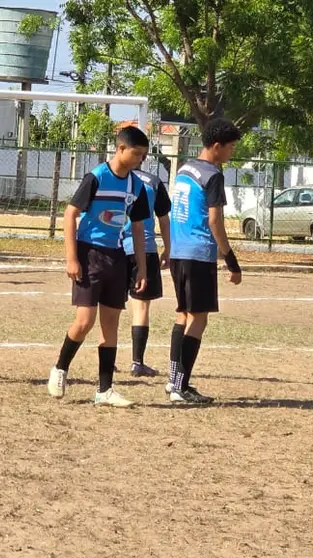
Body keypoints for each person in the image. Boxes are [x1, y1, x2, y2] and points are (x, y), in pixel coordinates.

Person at [47, 126, 151, 408]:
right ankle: (60, 368)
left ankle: (104, 390)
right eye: (137, 153)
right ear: (120, 149)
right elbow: (70, 215)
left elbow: (138, 228)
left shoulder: (136, 186)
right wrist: (71, 257)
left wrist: (141, 267)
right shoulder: (97, 177)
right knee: (84, 321)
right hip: (88, 253)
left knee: (111, 325)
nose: (141, 159)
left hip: (117, 257)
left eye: (143, 155)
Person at [165, 118, 242, 404]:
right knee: (198, 319)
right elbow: (214, 220)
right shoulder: (213, 175)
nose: (232, 152)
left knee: (182, 314)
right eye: (231, 147)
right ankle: (179, 386)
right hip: (198, 253)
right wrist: (230, 259)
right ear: (217, 146)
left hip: (178, 251)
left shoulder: (185, 168)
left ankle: (173, 379)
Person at [123, 164, 172, 377]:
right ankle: (137, 362)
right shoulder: (153, 181)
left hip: (115, 247)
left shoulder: (113, 178)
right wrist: (168, 249)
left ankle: (108, 359)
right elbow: (163, 218)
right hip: (144, 248)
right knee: (141, 307)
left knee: (110, 306)